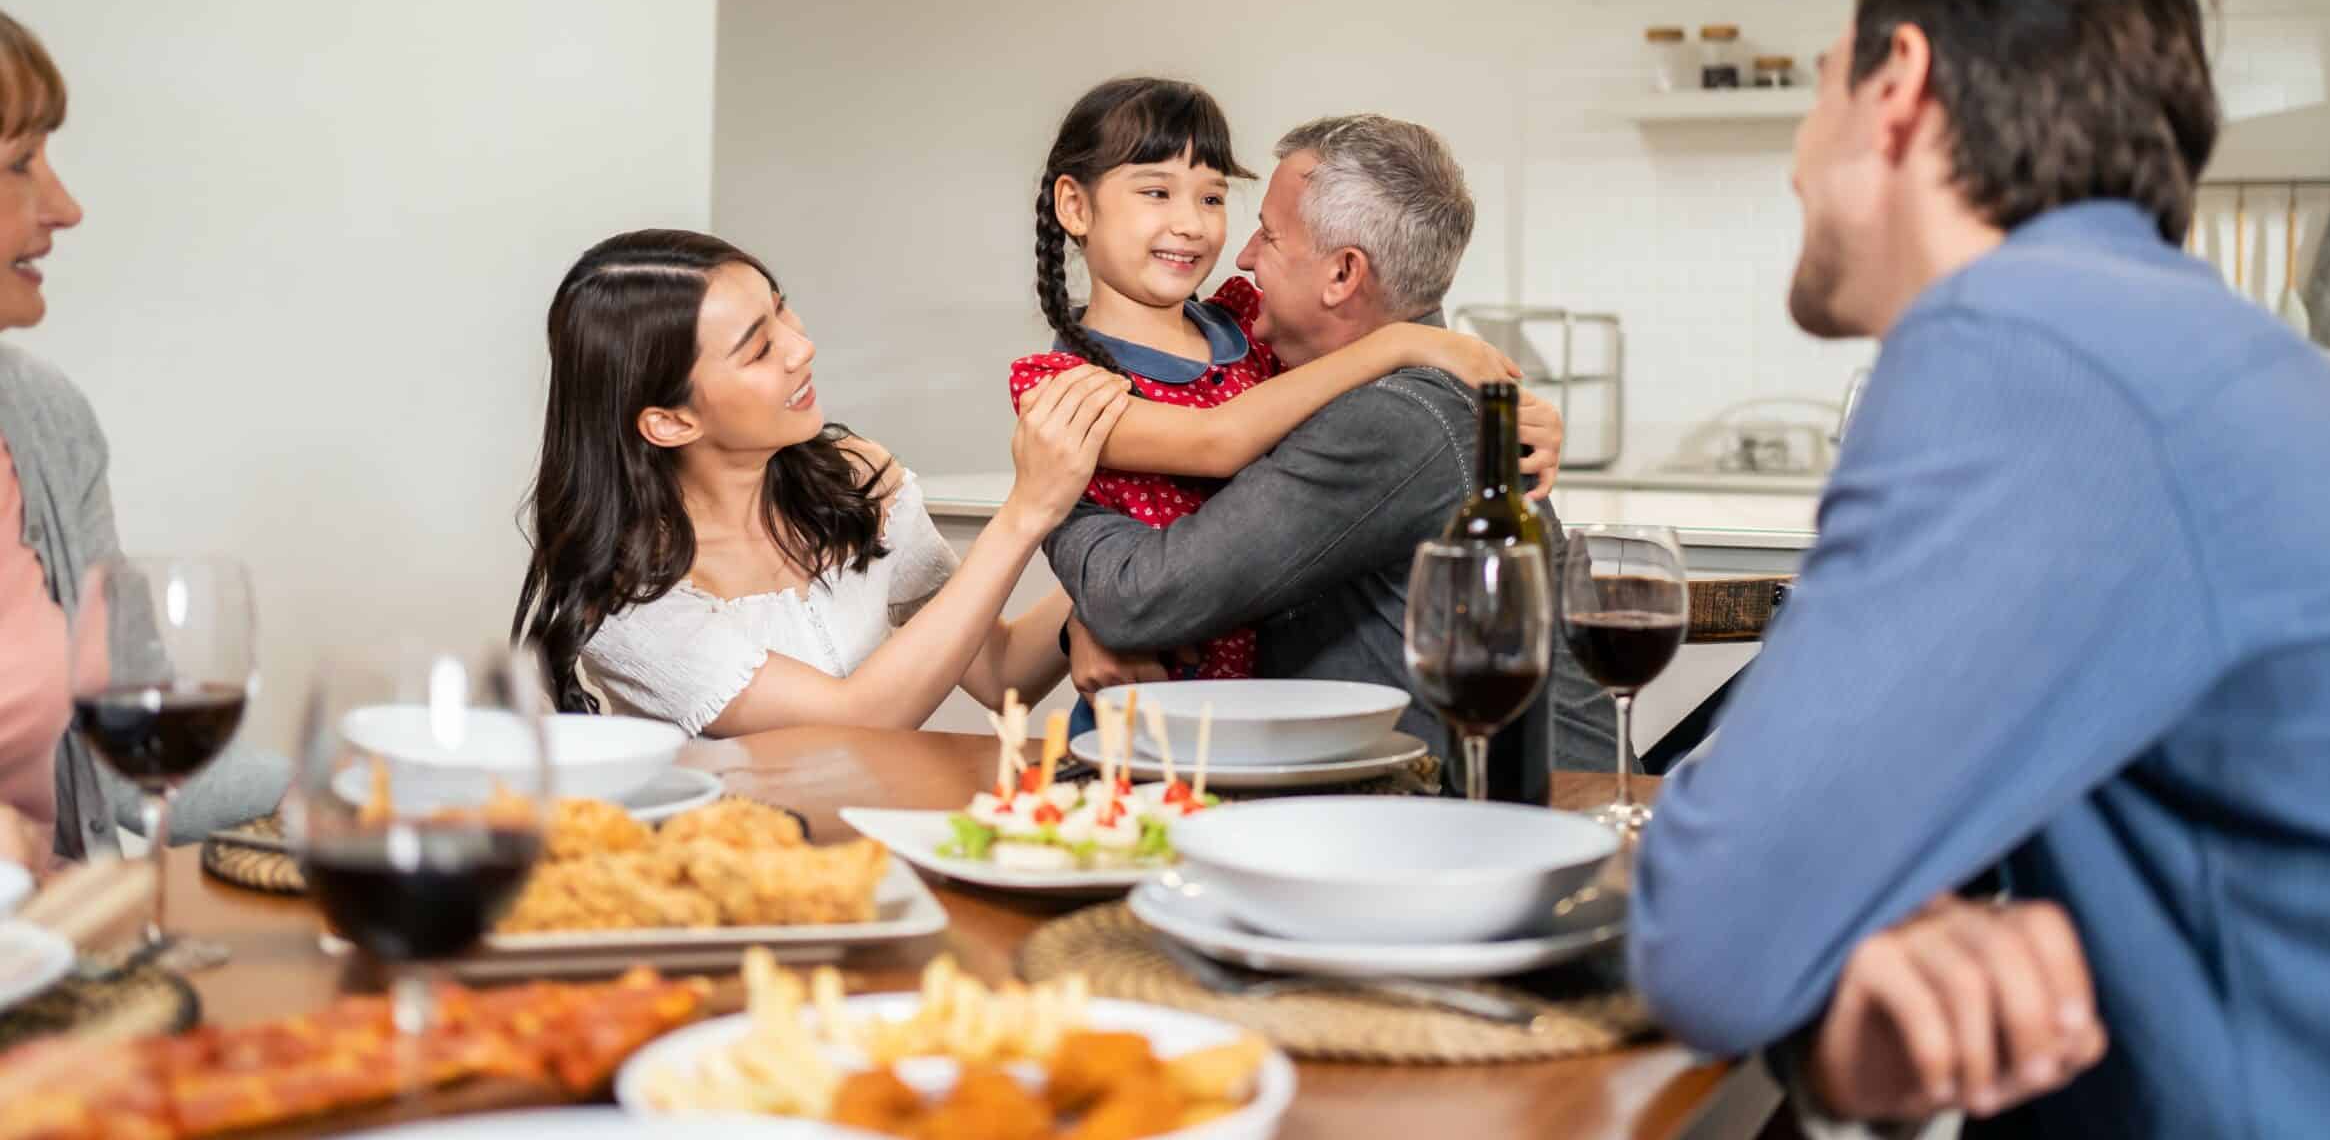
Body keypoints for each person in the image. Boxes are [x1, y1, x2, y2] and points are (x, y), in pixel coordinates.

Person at [1629, 0, 2330, 1136]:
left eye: (1815, 92)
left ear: (1897, 81)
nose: (1799, 160)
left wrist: (1820, 929)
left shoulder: (2024, 339)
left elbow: (1714, 929)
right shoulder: (2159, 333)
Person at [1045, 114, 1614, 773]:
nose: (1245, 254)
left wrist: (1054, 484)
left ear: (1343, 274)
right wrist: (1080, 621)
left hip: (1509, 826)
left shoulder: (1393, 418)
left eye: (1270, 234)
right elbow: (1192, 568)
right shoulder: (1335, 388)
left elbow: (1139, 598)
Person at [1009, 78, 1524, 685]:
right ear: (1075, 207)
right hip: (1158, 704)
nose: (1193, 225)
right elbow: (1216, 441)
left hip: (1255, 695)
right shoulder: (1066, 388)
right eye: (1155, 192)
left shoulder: (1244, 330)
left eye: (1211, 198)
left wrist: (1515, 416)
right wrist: (1400, 342)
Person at [512, 229, 1129, 733]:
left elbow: (1001, 671)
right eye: (757, 350)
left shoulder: (855, 481)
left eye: (780, 308)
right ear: (670, 421)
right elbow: (854, 722)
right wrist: (1026, 512)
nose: (800, 346)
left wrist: (1134, 565)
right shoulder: (627, 597)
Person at [0, 8, 285, 865]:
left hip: (61, 973)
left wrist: (355, 773)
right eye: (20, 163)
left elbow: (132, 752)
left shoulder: (47, 421)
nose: (67, 207)